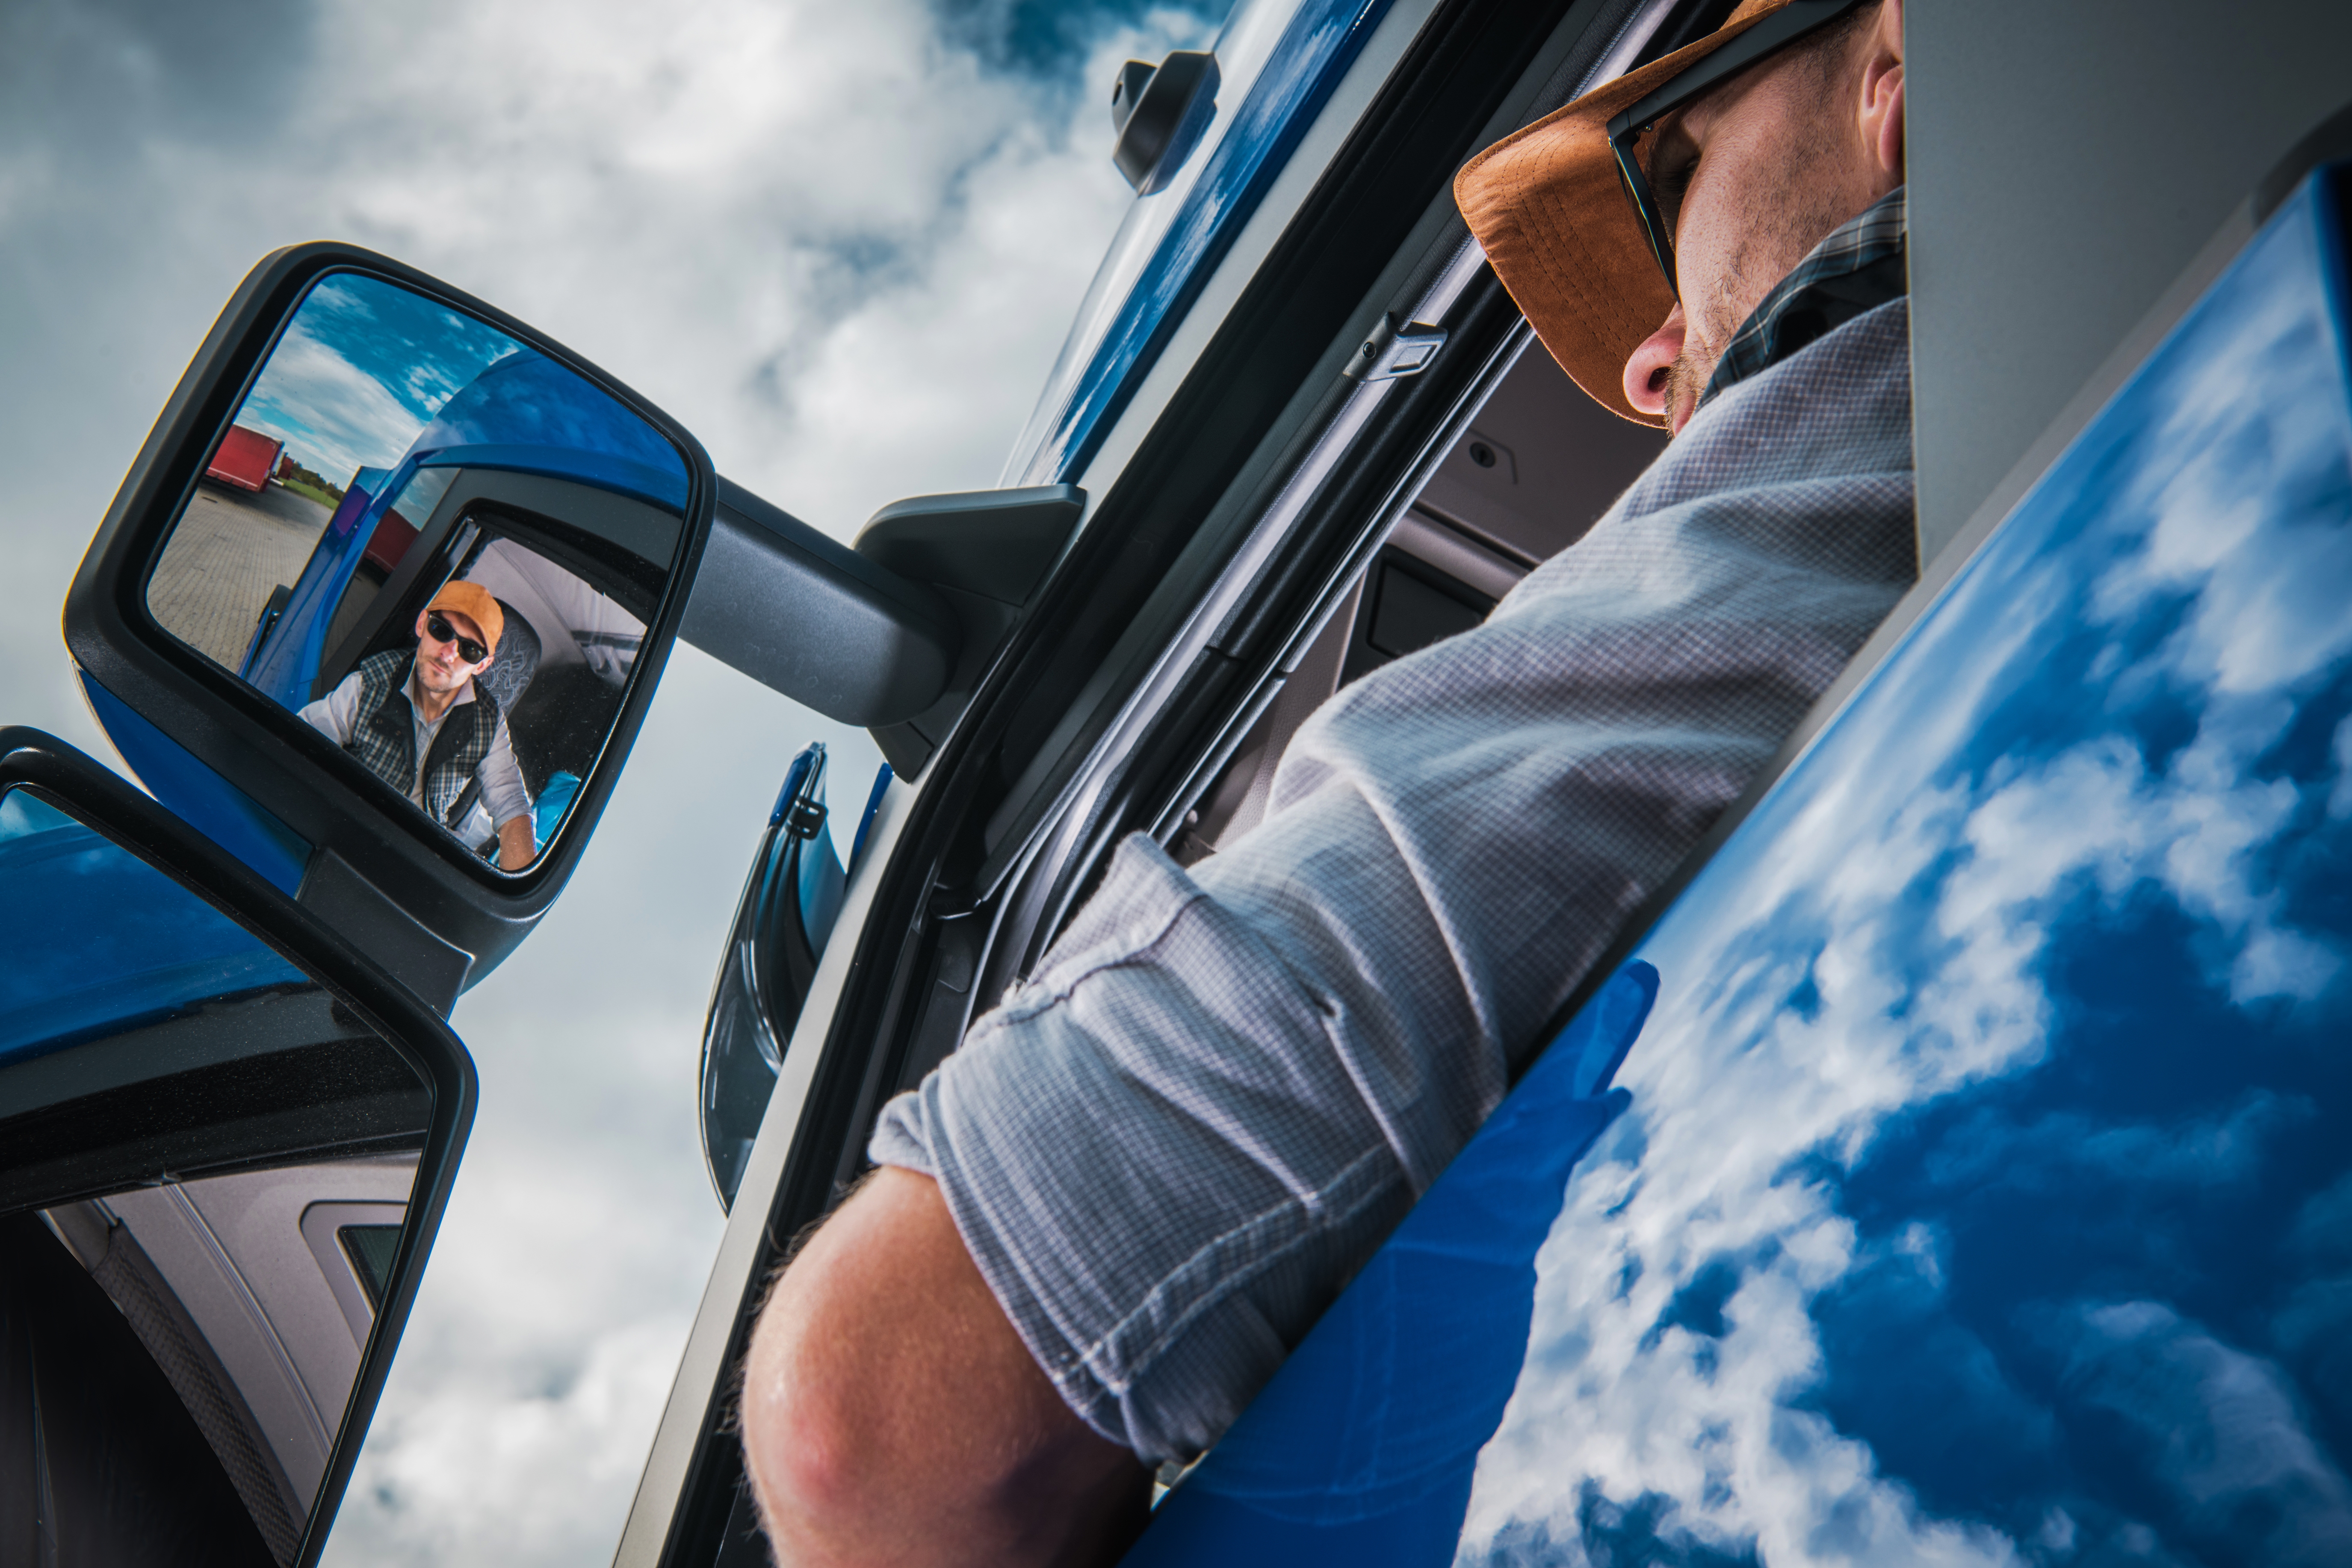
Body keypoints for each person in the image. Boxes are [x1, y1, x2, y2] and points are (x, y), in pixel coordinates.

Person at [742, 0, 1912, 1562]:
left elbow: (874, 1416)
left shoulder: (1866, 426)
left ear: (1899, 69)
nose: (1645, 369)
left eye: (1672, 169)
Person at [296, 579, 537, 871]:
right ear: (423, 623)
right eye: (442, 630)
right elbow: (301, 742)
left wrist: (515, 889)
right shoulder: (370, 683)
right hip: (343, 831)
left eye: (470, 650)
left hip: (413, 861)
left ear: (483, 666)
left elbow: (512, 807)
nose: (449, 654)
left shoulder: (489, 723)